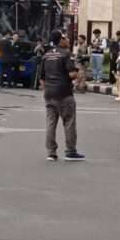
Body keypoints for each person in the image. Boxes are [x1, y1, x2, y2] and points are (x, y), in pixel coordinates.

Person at [40, 31, 84, 161]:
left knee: (50, 123)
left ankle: (51, 152)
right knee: (69, 122)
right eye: (64, 38)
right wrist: (78, 72)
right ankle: (70, 151)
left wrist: (46, 90)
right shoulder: (66, 54)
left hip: (49, 93)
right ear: (60, 40)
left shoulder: (46, 55)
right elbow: (72, 74)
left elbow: (42, 78)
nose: (67, 40)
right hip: (64, 93)